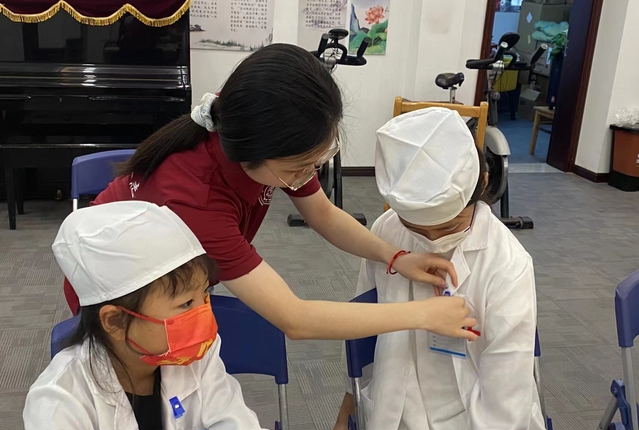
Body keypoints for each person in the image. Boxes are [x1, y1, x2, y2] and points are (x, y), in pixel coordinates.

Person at [62, 43, 477, 342]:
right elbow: (295, 319)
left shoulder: (258, 126)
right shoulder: (197, 200)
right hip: (121, 293)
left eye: (316, 162)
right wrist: (422, 315)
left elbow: (322, 213)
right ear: (253, 155)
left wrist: (395, 256)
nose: (308, 176)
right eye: (299, 169)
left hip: (179, 280)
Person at [320, 108, 555, 430]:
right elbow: (362, 333)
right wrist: (344, 419)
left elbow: (504, 401)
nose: (432, 240)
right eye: (417, 227)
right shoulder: (388, 230)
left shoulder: (507, 264)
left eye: (448, 226)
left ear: (482, 183)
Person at [23, 202, 278, 430]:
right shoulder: (58, 400)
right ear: (115, 321)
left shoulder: (196, 356)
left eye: (204, 295)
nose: (203, 314)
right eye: (186, 304)